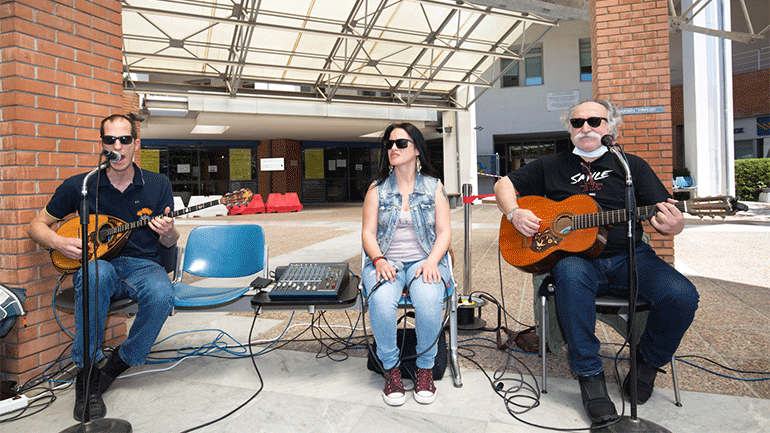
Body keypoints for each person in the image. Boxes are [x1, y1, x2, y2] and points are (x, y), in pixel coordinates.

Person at [494, 100, 699, 424]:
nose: (585, 127)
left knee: (682, 295)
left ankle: (646, 365)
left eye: (594, 121)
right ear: (570, 128)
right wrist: (514, 212)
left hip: (630, 257)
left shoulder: (630, 167)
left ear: (610, 126)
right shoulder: (551, 165)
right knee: (571, 280)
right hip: (575, 259)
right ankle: (590, 377)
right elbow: (503, 184)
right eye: (577, 122)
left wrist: (675, 225)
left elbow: (665, 215)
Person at [28, 114, 179, 421]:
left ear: (136, 143)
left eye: (125, 139)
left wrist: (169, 233)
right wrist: (57, 242)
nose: (117, 146)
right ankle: (87, 371)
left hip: (143, 265)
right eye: (110, 140)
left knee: (162, 294)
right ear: (102, 144)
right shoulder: (82, 186)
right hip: (99, 263)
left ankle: (120, 361)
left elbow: (169, 241)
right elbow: (36, 225)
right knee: (95, 276)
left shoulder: (158, 184)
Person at [361, 122, 451, 406]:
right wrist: (378, 260)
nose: (393, 148)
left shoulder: (434, 187)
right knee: (381, 301)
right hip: (386, 260)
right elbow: (368, 233)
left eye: (401, 143)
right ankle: (391, 370)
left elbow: (444, 232)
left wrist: (433, 261)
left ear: (417, 150)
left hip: (425, 259)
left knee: (429, 301)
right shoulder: (377, 189)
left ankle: (425, 370)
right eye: (389, 144)